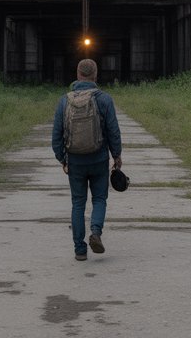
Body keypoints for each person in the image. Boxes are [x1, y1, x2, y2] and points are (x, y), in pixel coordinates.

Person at [51, 58, 123, 261]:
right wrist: (116, 155)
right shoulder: (104, 99)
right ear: (95, 75)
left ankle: (79, 250)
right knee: (99, 199)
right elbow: (113, 131)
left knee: (78, 203)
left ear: (77, 74)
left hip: (75, 161)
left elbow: (56, 135)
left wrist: (62, 159)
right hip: (99, 159)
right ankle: (96, 232)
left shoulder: (64, 100)